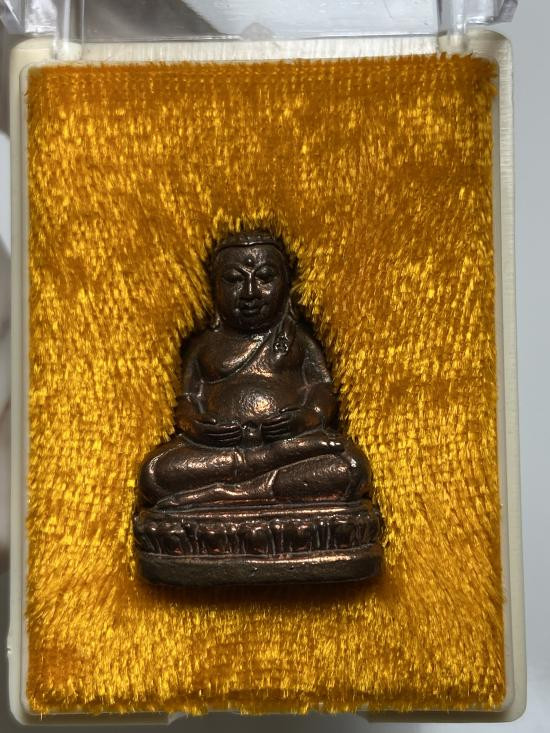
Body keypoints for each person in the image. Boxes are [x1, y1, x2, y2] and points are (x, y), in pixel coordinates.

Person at [138, 229, 372, 510]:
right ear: (215, 288)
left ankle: (228, 494)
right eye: (234, 279)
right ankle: (261, 483)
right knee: (154, 473)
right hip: (224, 454)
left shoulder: (296, 339)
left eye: (264, 277)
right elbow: (187, 401)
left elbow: (321, 389)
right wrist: (196, 428)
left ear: (285, 284)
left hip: (288, 446)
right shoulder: (204, 346)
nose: (250, 292)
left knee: (350, 465)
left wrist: (306, 418)